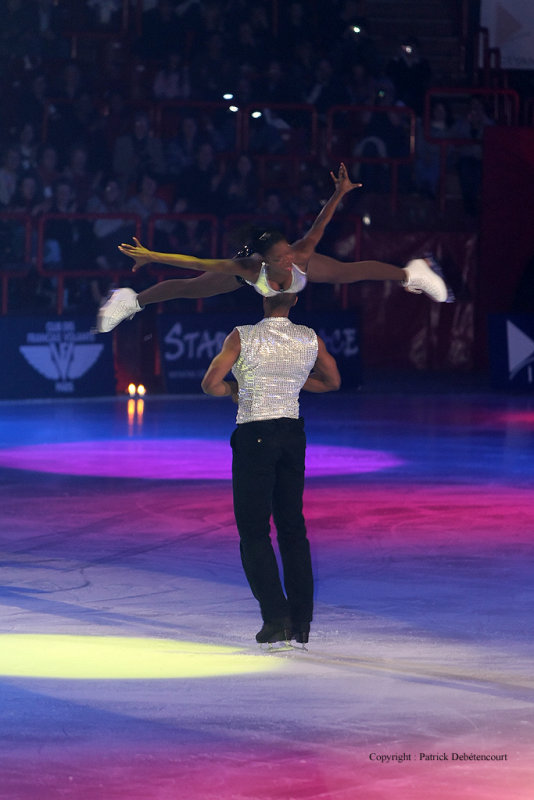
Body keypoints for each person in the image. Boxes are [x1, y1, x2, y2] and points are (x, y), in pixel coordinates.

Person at [96, 163, 448, 332]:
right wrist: (153, 255)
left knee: (349, 272)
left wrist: (339, 193)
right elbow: (196, 261)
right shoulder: (249, 269)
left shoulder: (301, 256)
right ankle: (130, 300)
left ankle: (412, 271)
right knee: (191, 289)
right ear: (266, 260)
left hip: (289, 281)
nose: (289, 258)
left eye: (289, 252)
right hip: (244, 274)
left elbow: (320, 223)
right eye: (282, 256)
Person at [201, 291, 341, 645]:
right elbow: (332, 381)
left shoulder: (243, 336)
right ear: (293, 301)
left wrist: (238, 386)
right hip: (293, 436)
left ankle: (276, 618)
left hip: (256, 435)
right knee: (293, 529)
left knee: (254, 532)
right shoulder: (309, 337)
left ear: (263, 298)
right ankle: (301, 621)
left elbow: (210, 383)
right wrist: (290, 384)